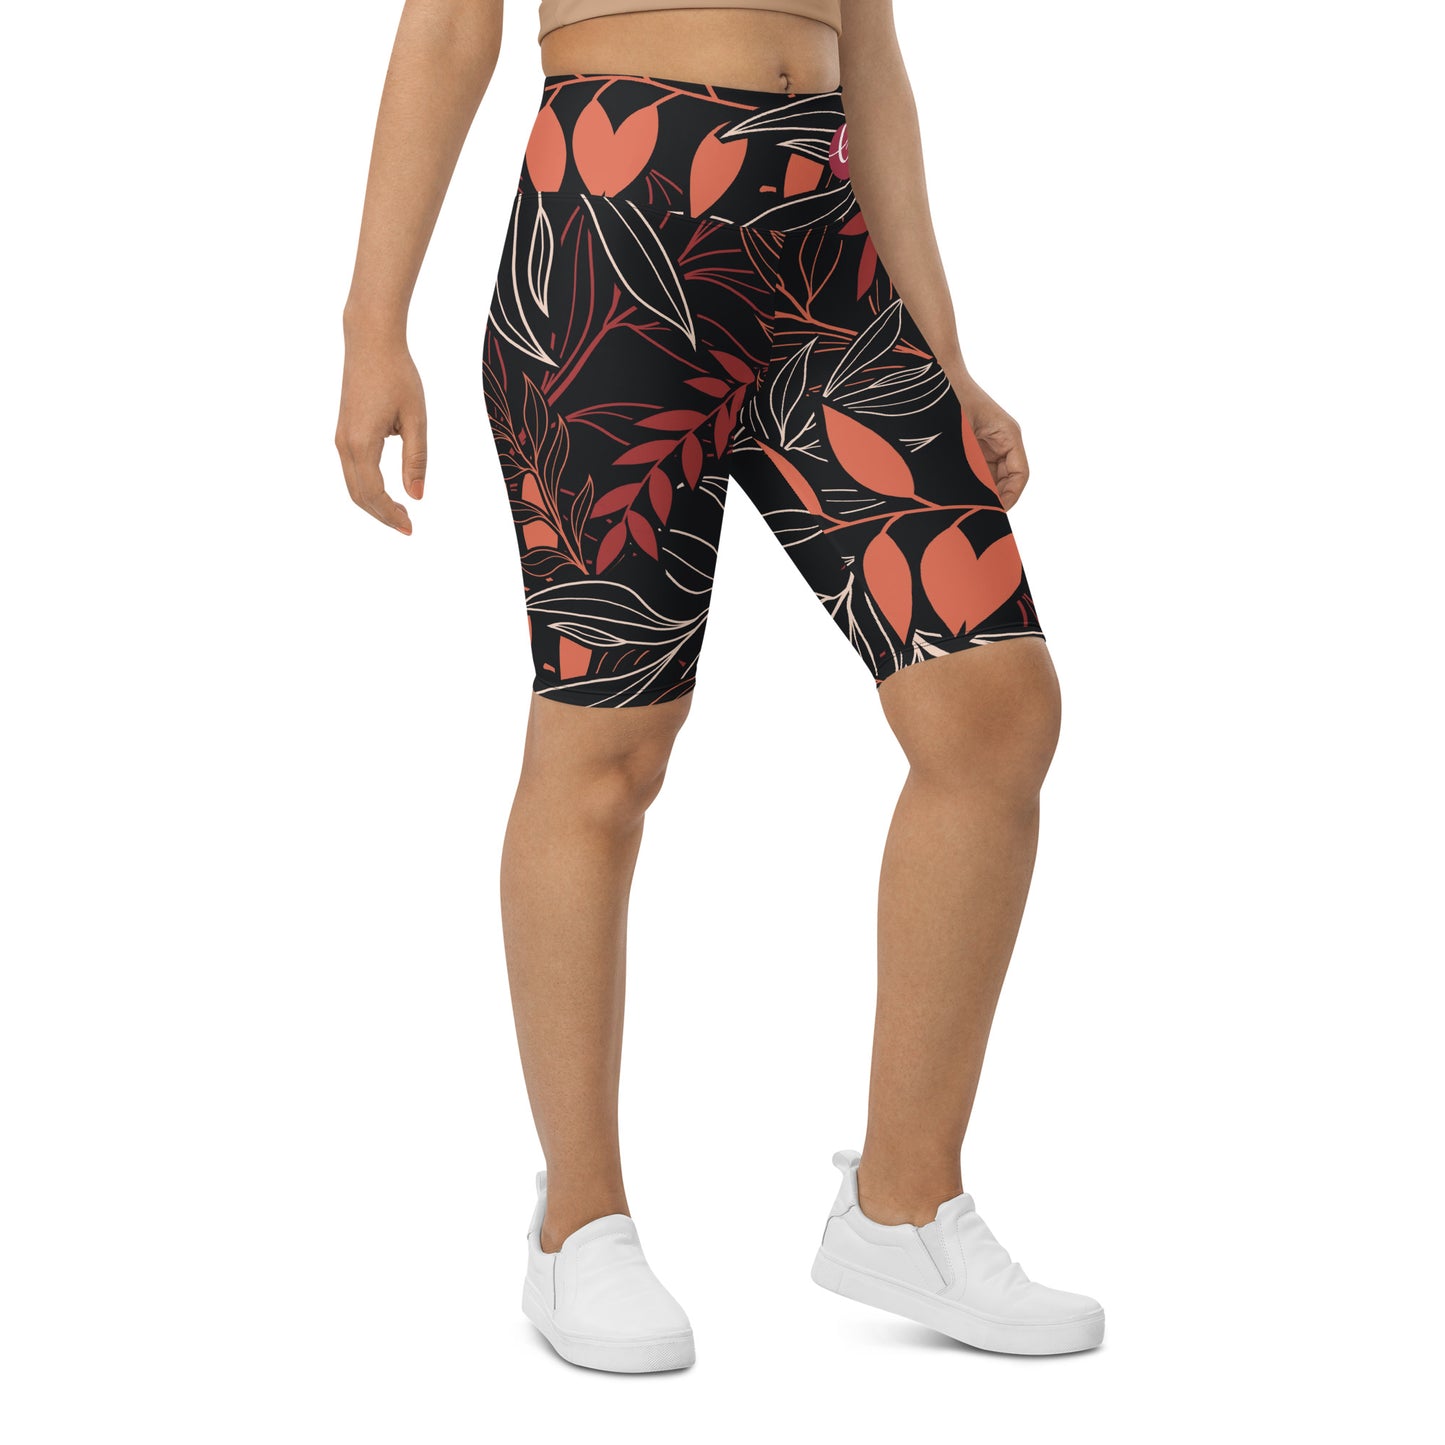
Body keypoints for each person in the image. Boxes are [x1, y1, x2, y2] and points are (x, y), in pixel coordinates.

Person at [337, 0, 1103, 1371]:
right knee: (608, 750)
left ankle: (903, 1199)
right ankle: (579, 1223)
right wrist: (371, 326)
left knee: (995, 710)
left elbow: (871, 62)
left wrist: (943, 356)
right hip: (612, 243)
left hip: (827, 261)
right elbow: (451, 27)